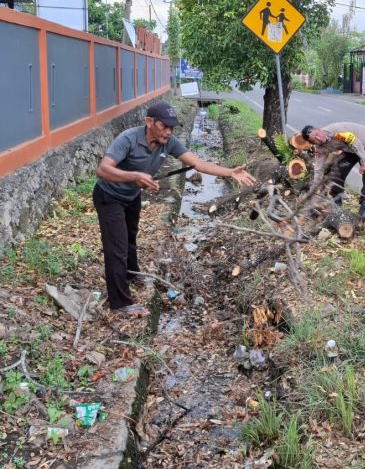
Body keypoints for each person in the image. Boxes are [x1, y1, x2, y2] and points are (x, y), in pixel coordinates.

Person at [93, 102, 255, 316]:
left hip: (131, 196)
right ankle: (120, 303)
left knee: (130, 237)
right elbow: (102, 170)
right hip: (109, 196)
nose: (168, 132)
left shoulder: (167, 142)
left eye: (172, 127)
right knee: (117, 247)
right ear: (149, 122)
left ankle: (131, 273)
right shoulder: (128, 139)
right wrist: (135, 176)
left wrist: (229, 172)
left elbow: (198, 164)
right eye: (164, 126)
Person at [301, 122, 365, 220]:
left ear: (318, 129)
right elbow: (319, 169)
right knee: (337, 170)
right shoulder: (319, 148)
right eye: (315, 140)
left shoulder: (337, 132)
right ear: (313, 144)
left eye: (317, 135)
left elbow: (356, 143)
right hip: (349, 148)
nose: (319, 139)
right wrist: (313, 191)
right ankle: (336, 202)